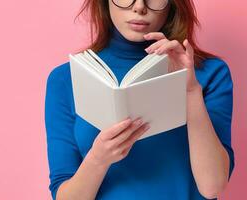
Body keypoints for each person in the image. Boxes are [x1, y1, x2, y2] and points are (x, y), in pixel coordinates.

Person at [44, 0, 235, 199]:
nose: (139, 7)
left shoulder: (210, 73)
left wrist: (190, 91)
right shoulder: (65, 79)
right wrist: (98, 159)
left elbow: (212, 186)